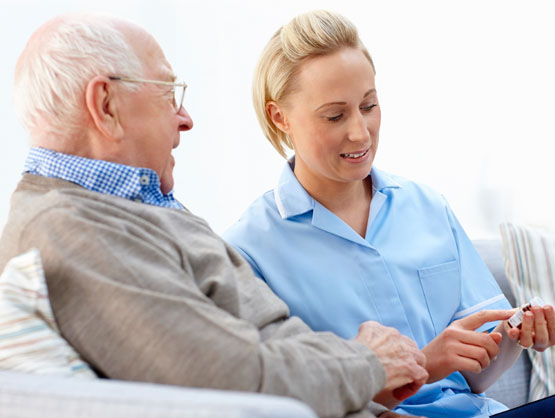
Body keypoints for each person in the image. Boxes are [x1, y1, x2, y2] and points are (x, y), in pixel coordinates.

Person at [0, 13, 431, 418]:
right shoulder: (72, 230)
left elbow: (265, 347)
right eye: (169, 93)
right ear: (106, 105)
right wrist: (368, 361)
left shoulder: (124, 208)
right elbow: (234, 379)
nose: (185, 119)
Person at [223, 10, 555, 418]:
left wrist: (517, 333)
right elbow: (284, 405)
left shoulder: (426, 206)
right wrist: (426, 363)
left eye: (368, 105)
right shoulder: (247, 252)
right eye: (335, 115)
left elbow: (478, 375)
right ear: (279, 116)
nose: (360, 132)